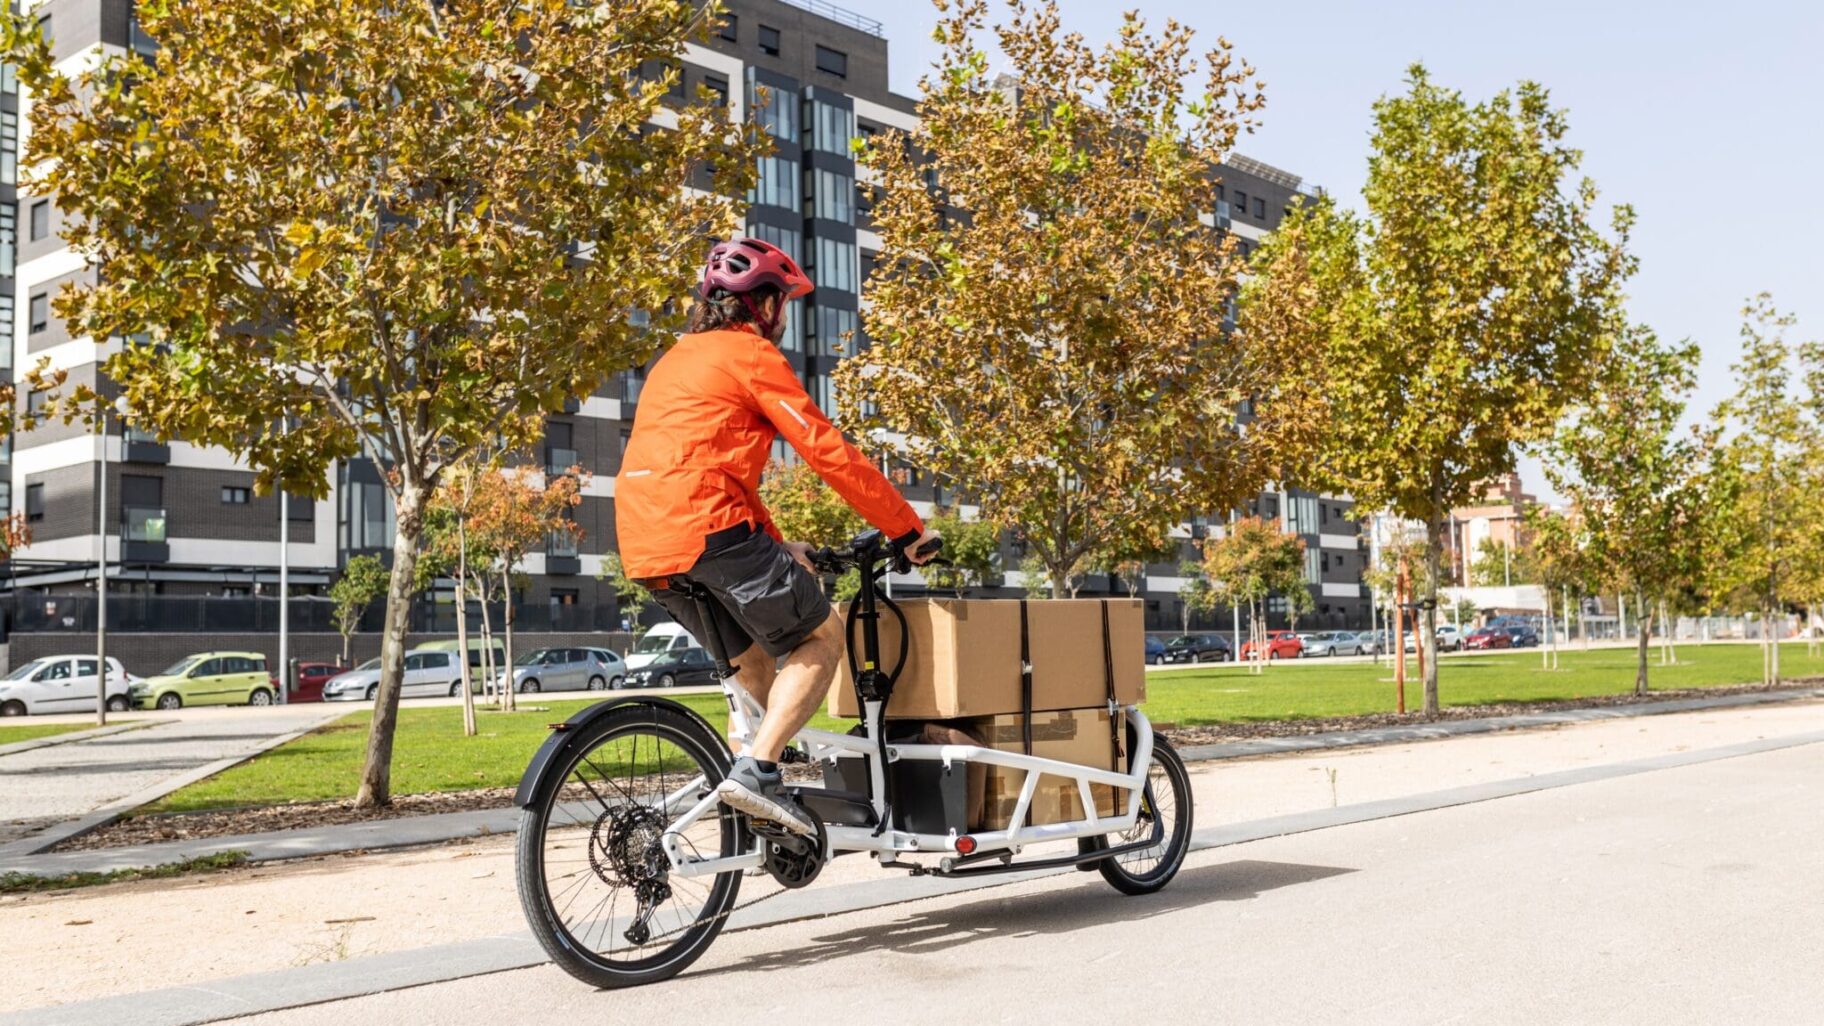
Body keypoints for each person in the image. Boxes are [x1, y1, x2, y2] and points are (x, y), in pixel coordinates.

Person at [617, 237, 939, 837]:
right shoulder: (750, 355)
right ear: (763, 306)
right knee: (820, 638)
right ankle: (758, 773)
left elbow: (712, 467)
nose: (785, 316)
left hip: (646, 539)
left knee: (758, 664)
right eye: (783, 301)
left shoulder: (676, 359)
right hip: (709, 527)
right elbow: (827, 451)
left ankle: (760, 798)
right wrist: (905, 527)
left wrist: (774, 541)